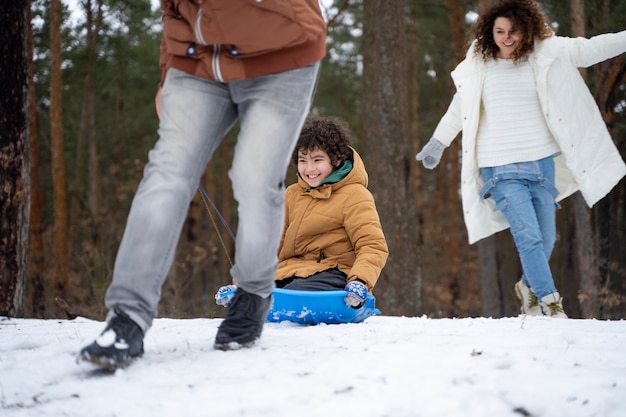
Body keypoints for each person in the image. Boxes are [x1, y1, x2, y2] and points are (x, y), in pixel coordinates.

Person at [78, 0, 327, 370]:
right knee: (166, 175)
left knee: (254, 179)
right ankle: (127, 316)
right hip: (196, 63)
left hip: (281, 57)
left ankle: (253, 293)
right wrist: (167, 74)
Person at [415, 0, 626, 318]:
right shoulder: (480, 63)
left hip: (540, 164)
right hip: (498, 166)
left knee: (548, 237)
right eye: (499, 31)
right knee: (527, 235)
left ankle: (528, 286)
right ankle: (550, 302)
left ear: (527, 27)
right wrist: (437, 142)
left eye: (513, 30)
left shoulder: (547, 51)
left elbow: (591, 49)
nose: (507, 37)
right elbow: (461, 108)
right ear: (490, 32)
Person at [216, 114, 389, 309]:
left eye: (317, 160)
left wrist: (360, 280)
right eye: (303, 160)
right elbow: (274, 244)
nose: (309, 168)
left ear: (337, 159)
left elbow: (372, 245)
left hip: (336, 272)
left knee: (293, 294)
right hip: (294, 271)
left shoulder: (354, 195)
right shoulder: (292, 194)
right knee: (263, 291)